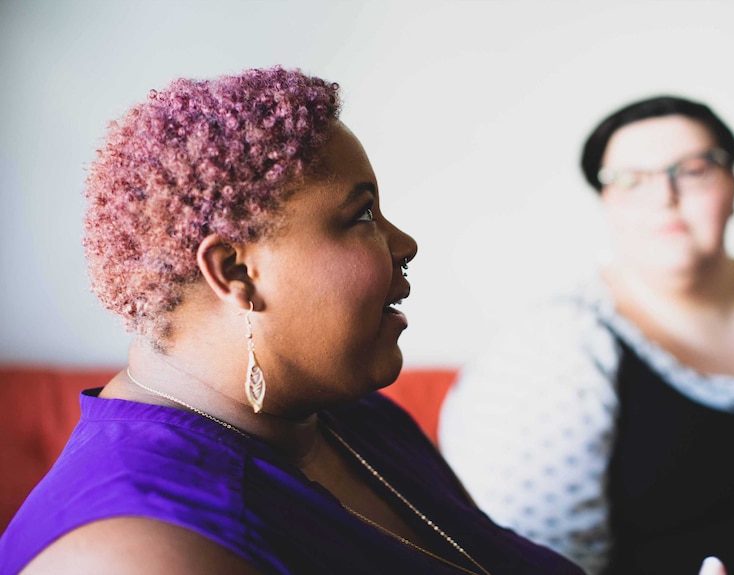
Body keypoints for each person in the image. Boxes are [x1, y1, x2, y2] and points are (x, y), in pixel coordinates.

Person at [0, 66, 585, 575]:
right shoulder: (141, 552)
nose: (403, 242)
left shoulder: (353, 417)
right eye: (362, 216)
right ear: (234, 270)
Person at [438, 95, 734, 575]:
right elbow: (533, 562)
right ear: (605, 202)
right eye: (630, 181)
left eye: (695, 169)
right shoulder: (558, 348)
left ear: (733, 183)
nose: (664, 196)